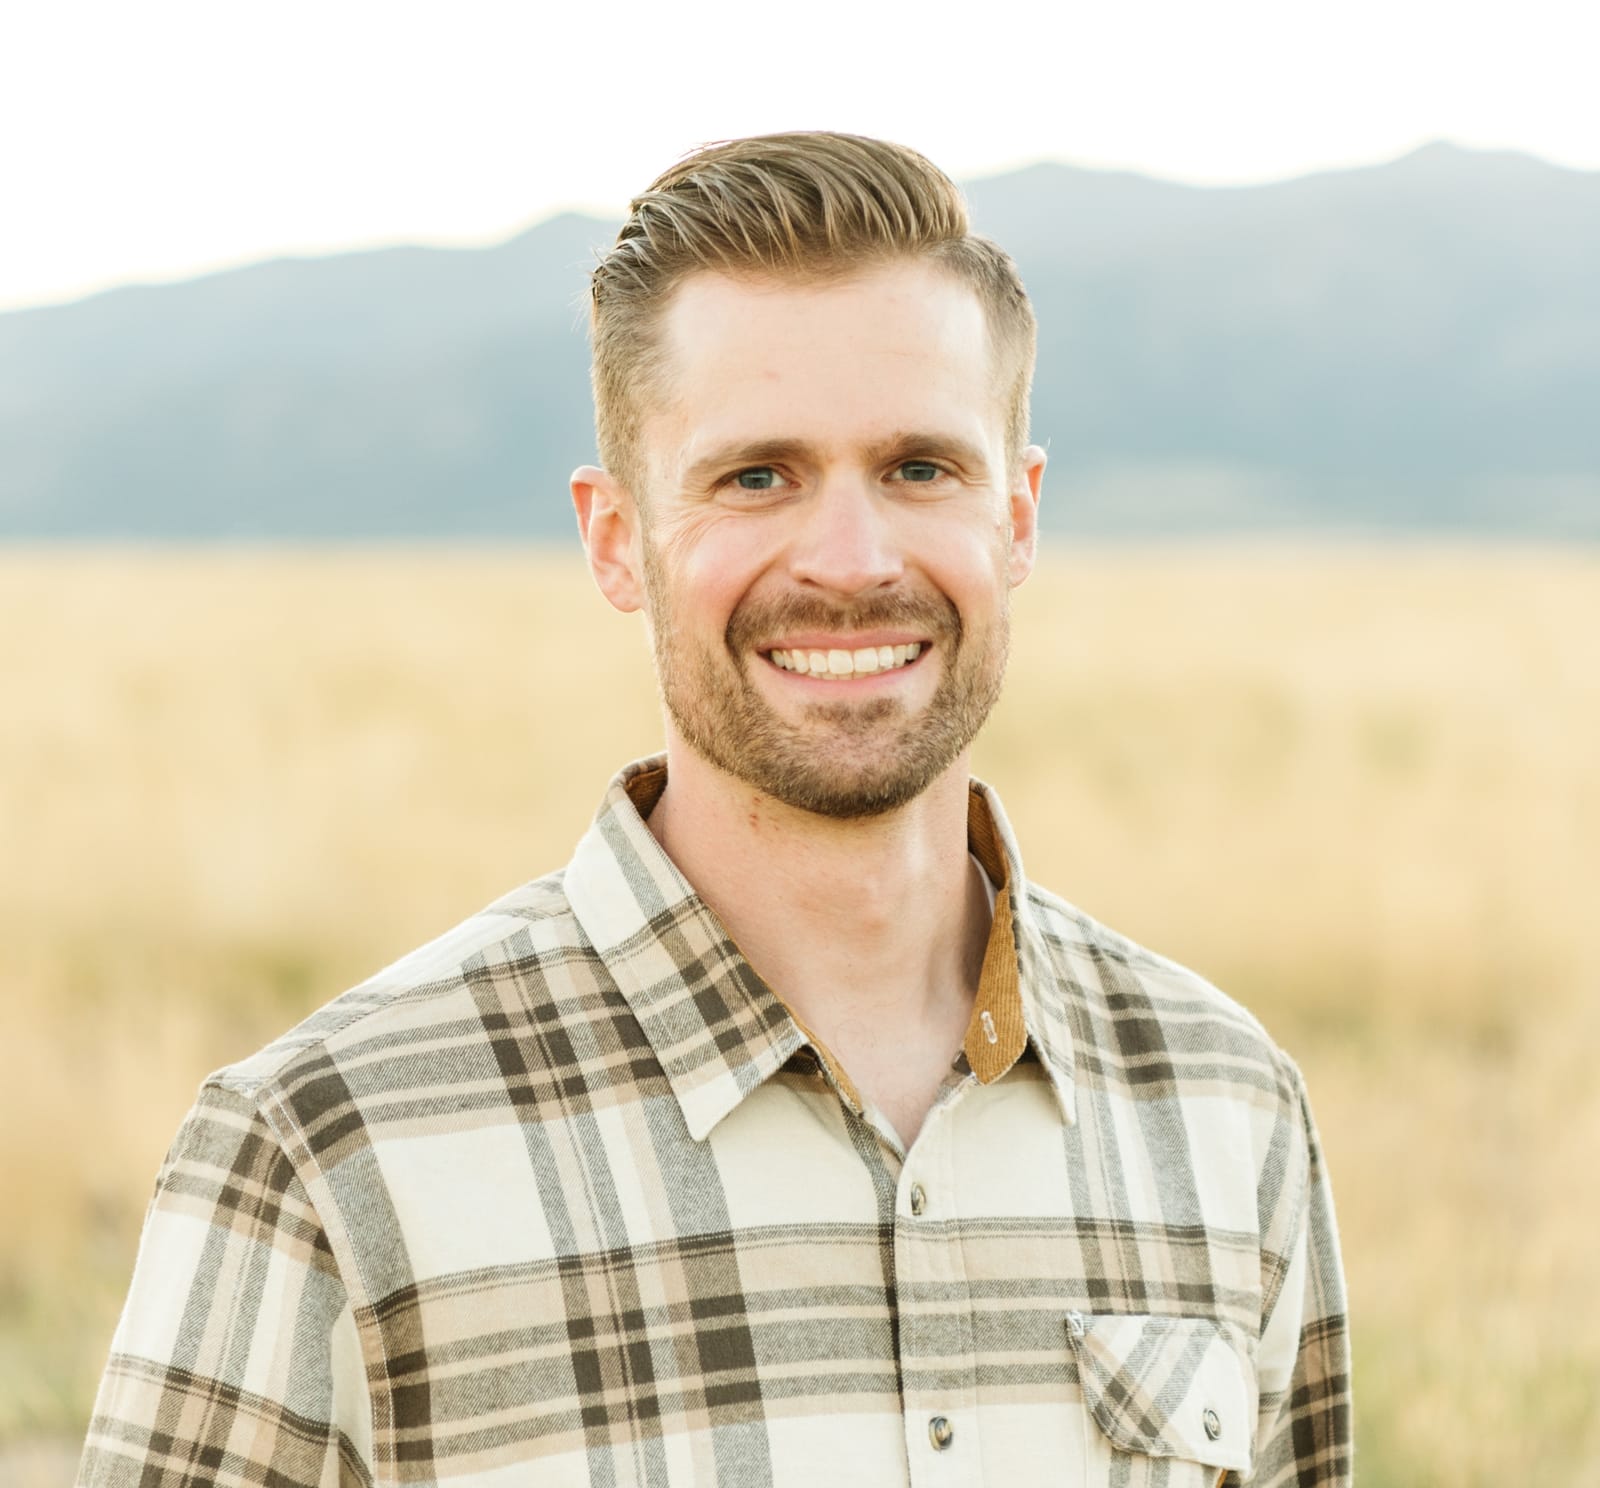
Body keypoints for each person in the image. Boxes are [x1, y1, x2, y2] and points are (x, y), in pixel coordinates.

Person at [79, 133, 1351, 1487]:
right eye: (757, 477)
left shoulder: (1223, 1106)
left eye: (922, 467)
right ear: (616, 538)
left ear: (1018, 516)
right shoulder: (332, 1154)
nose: (854, 562)